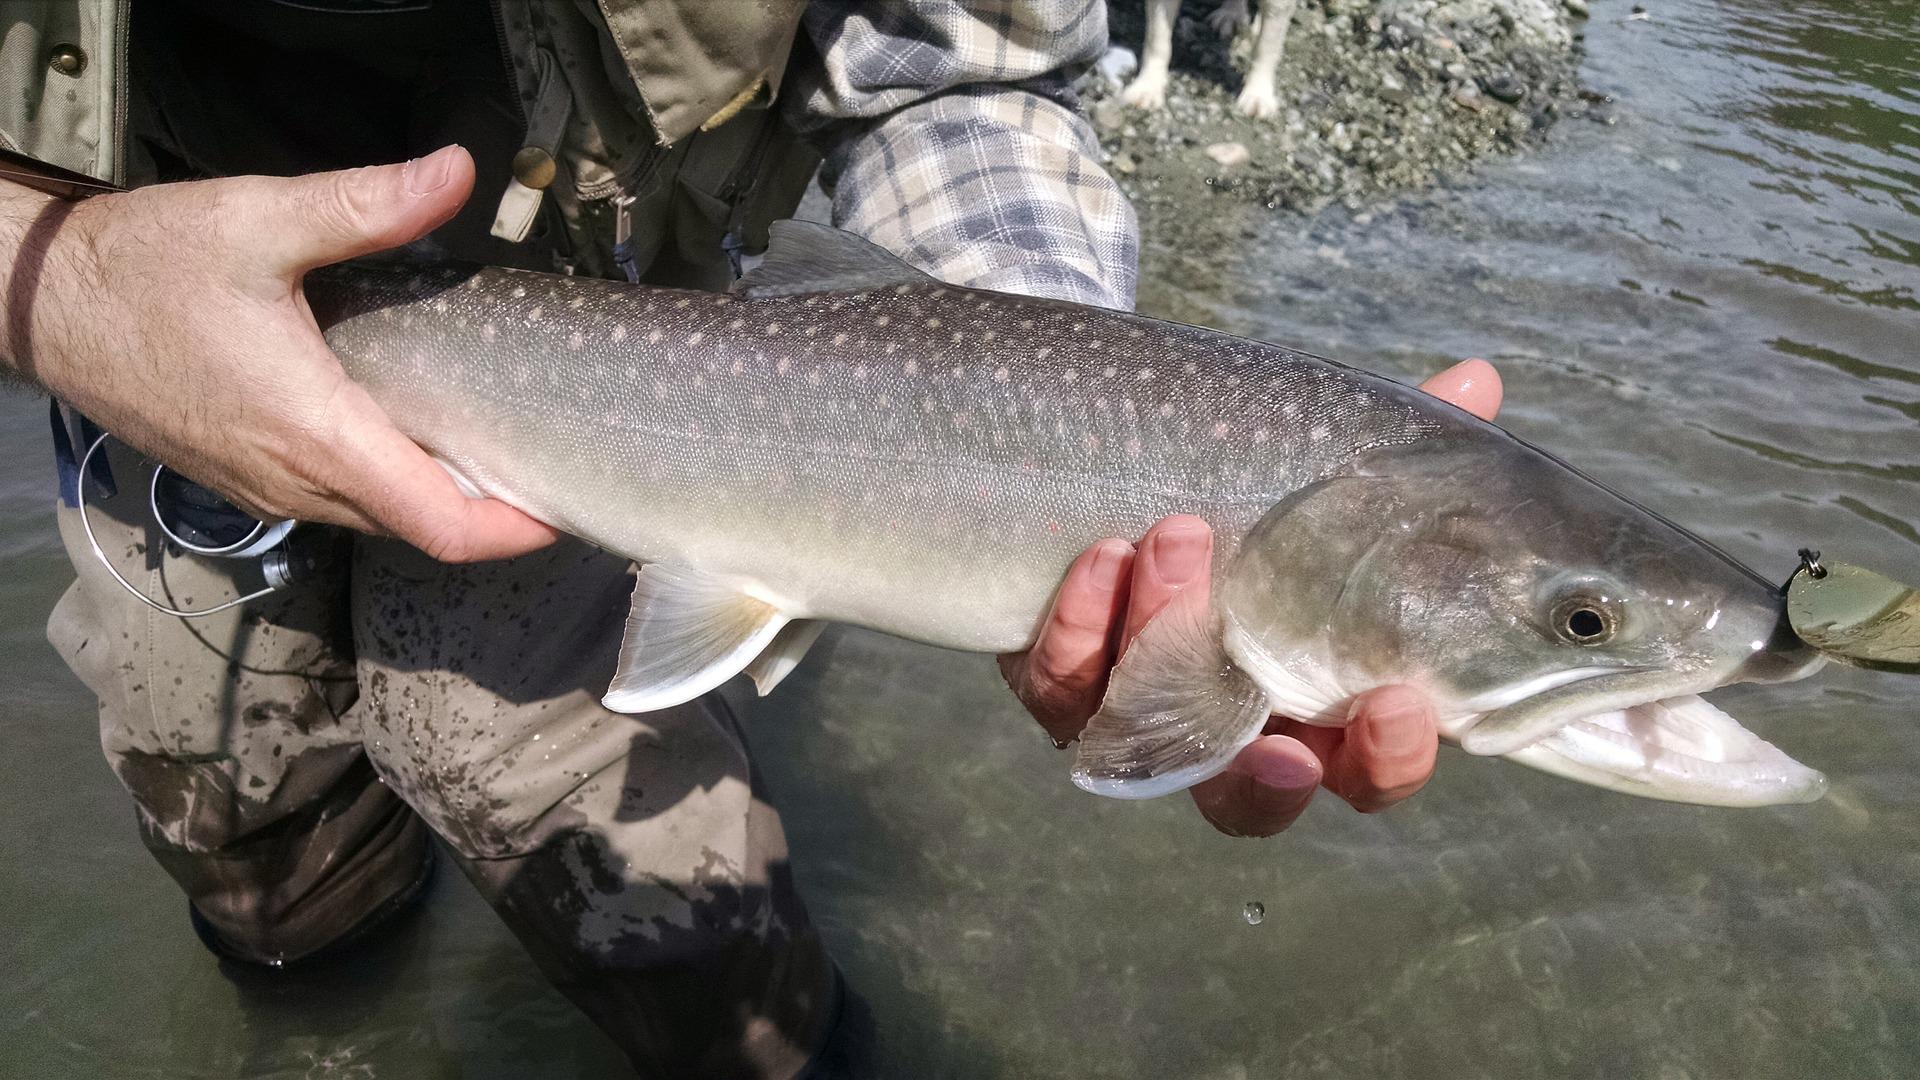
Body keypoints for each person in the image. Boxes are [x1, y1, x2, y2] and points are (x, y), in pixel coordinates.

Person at [0, 2, 1499, 1076]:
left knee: (657, 904)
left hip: (624, 324)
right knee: (256, 848)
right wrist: (54, 275)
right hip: (131, 250)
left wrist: (1051, 429)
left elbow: (944, 74)